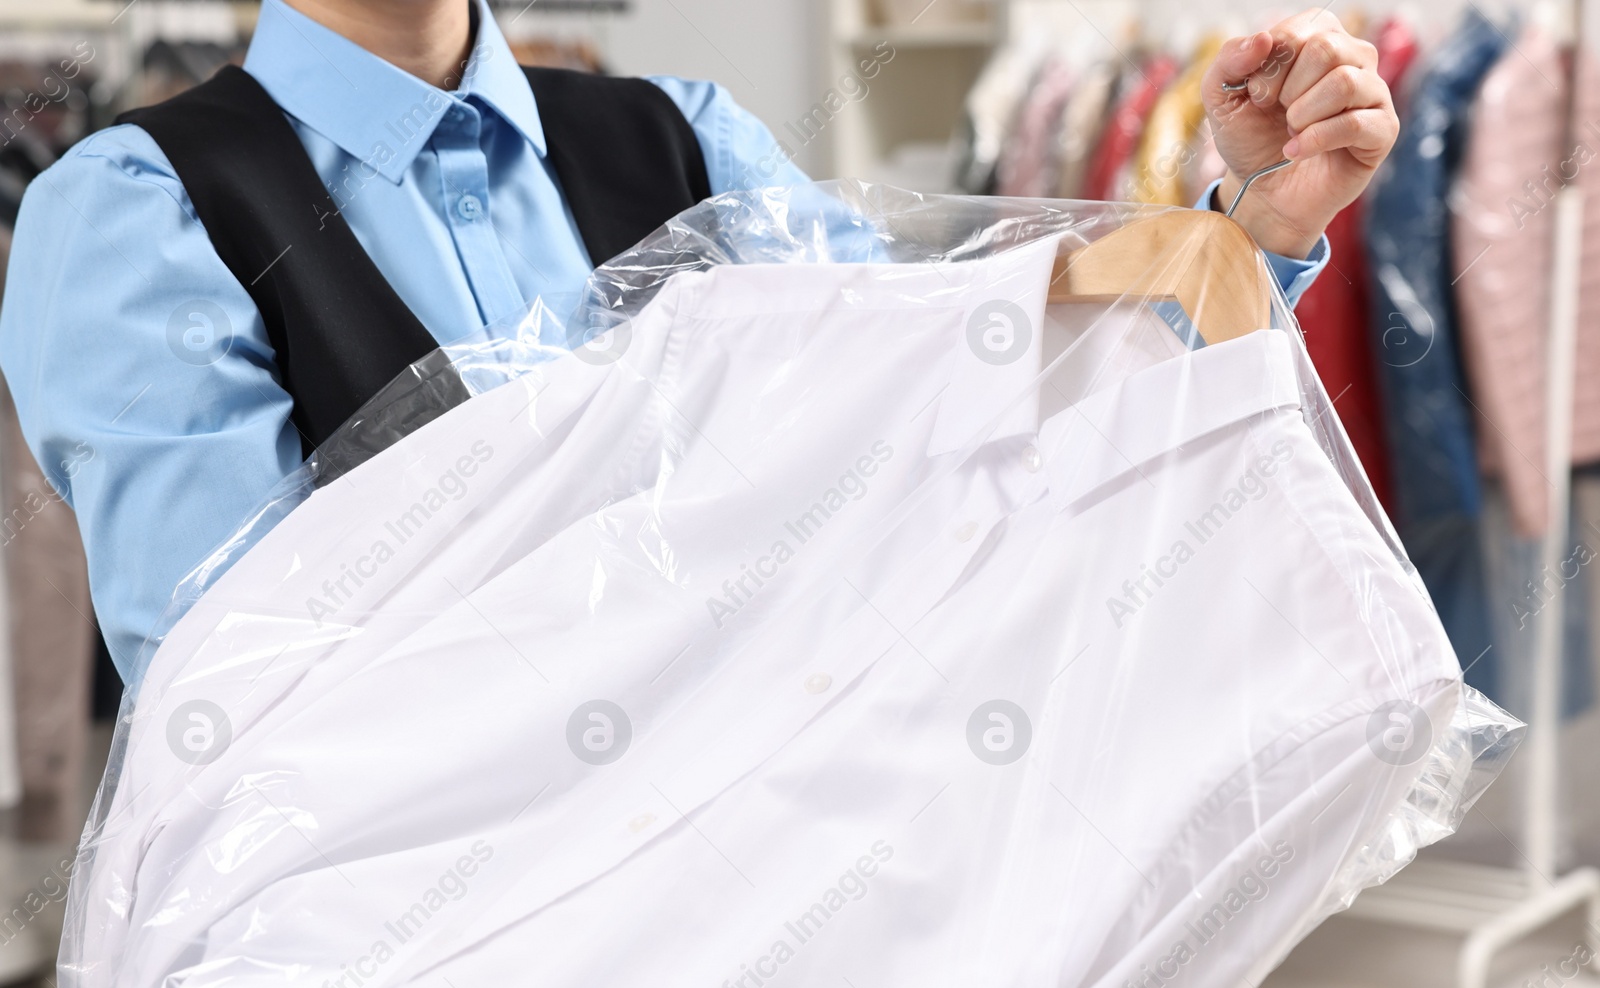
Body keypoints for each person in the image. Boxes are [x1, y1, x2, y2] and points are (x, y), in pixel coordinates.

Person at [0, 2, 1396, 683]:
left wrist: (1249, 229)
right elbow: (237, 681)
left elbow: (949, 376)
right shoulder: (136, 214)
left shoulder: (687, 135)